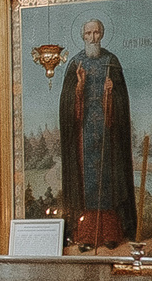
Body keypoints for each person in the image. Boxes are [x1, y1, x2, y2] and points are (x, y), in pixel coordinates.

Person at [58, 18, 136, 248]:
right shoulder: (75, 64)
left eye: (96, 33)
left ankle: (111, 234)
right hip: (83, 138)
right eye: (88, 33)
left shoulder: (112, 62)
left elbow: (122, 103)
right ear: (83, 36)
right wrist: (79, 89)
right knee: (86, 185)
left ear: (101, 35)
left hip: (108, 136)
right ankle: (86, 235)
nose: (92, 37)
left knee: (108, 182)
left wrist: (111, 95)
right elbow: (66, 105)